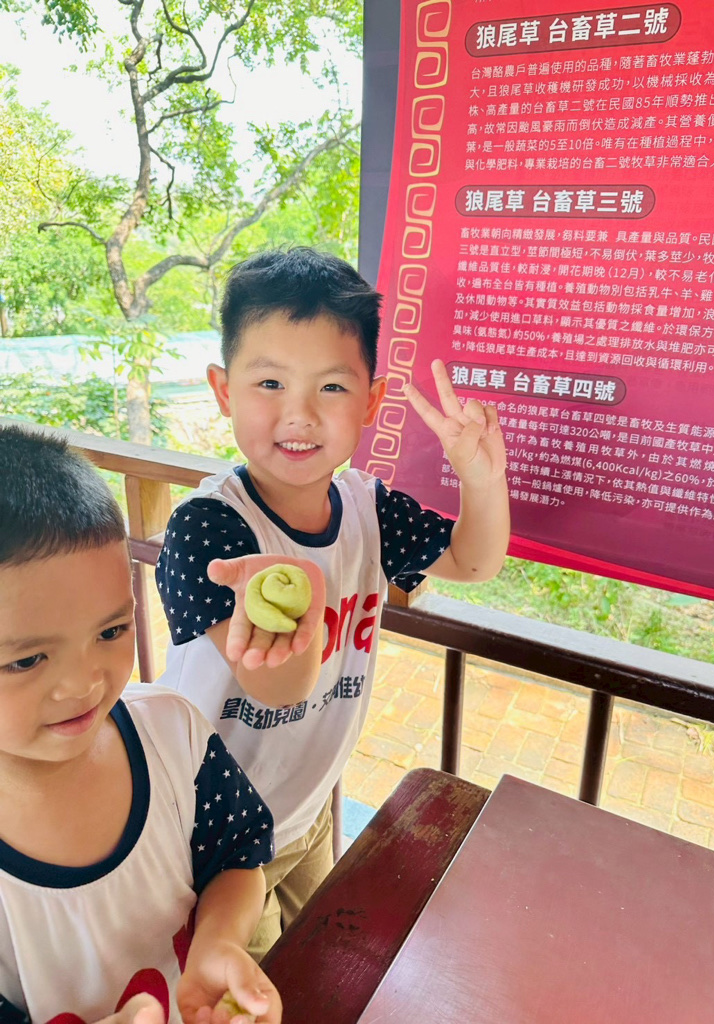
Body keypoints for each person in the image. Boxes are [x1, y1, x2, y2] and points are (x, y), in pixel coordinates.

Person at [154, 246, 510, 958]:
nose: (300, 414)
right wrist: (304, 595)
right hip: (217, 836)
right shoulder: (211, 530)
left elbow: (474, 560)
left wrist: (479, 478)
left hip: (308, 805)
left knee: (321, 959)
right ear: (224, 391)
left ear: (370, 402)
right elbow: (276, 685)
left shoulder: (367, 509)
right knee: (248, 987)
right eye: (269, 383)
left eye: (332, 387)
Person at [0, 425, 282, 1024]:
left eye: (111, 631)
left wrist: (219, 942)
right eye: (26, 660)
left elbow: (236, 858)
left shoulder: (172, 735)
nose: (84, 683)